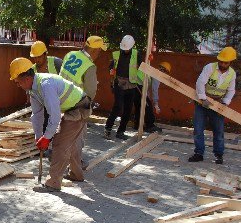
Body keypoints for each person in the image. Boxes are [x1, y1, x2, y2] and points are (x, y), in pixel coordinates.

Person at [9, 57, 91, 192]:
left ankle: (53, 182)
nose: (18, 85)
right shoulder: (33, 90)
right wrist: (39, 136)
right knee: (72, 144)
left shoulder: (46, 85)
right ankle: (76, 175)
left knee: (59, 144)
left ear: (27, 79)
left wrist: (47, 138)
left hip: (79, 108)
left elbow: (55, 116)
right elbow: (37, 115)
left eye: (18, 82)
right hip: (73, 107)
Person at [60, 35, 106, 168]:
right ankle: (75, 165)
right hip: (77, 104)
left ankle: (61, 160)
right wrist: (88, 107)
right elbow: (90, 92)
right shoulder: (89, 66)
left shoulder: (70, 55)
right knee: (78, 136)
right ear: (94, 50)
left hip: (62, 100)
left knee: (64, 134)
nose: (99, 54)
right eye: (99, 51)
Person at [188, 47, 237, 164]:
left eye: (225, 62)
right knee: (198, 129)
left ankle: (218, 155)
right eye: (221, 61)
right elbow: (200, 82)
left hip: (218, 103)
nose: (222, 64)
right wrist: (203, 98)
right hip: (202, 102)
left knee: (218, 131)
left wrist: (225, 102)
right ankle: (199, 153)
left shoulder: (232, 74)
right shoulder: (210, 67)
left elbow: (231, 90)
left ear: (230, 62)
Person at [105, 34, 145, 140]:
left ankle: (121, 131)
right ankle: (108, 128)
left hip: (131, 85)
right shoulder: (116, 54)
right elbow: (111, 68)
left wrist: (143, 82)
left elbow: (141, 68)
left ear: (132, 47)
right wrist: (111, 73)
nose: (126, 50)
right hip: (119, 83)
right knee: (118, 106)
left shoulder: (137, 54)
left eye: (127, 49)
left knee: (128, 109)